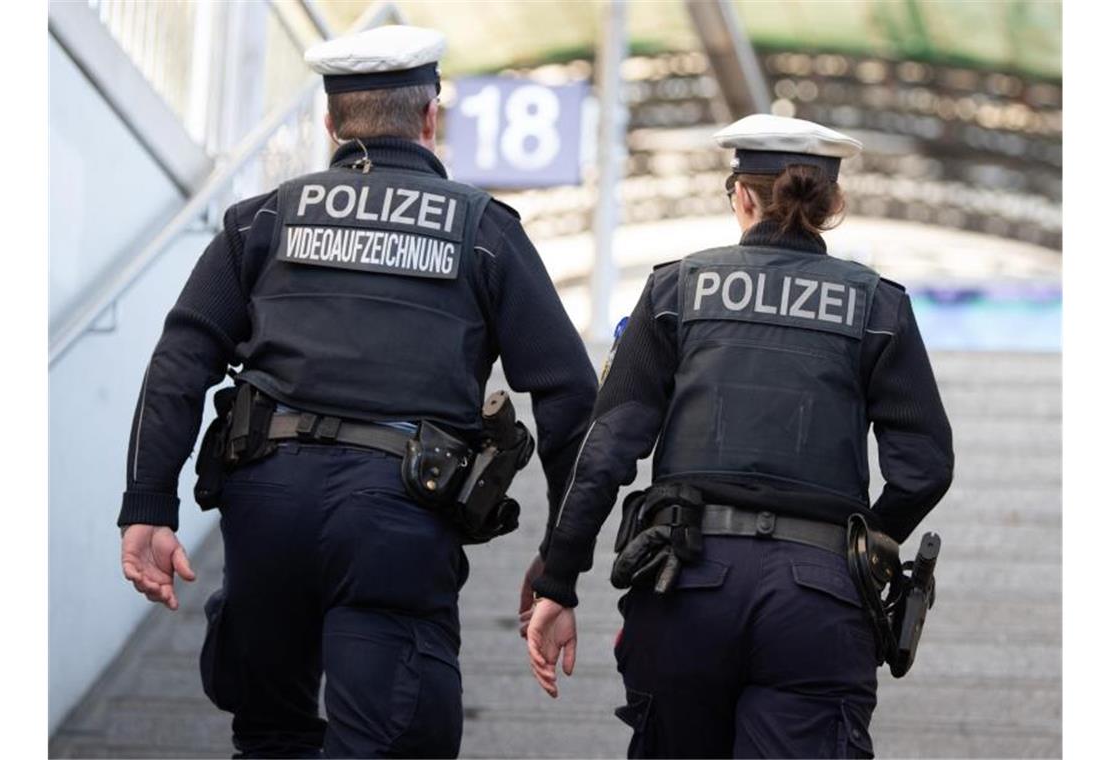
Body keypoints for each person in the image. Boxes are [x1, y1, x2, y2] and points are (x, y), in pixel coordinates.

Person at [117, 24, 597, 759]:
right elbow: (569, 395)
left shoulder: (264, 219)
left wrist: (149, 503)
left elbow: (182, 355)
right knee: (391, 739)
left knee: (269, 734)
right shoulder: (482, 233)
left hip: (265, 509)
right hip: (396, 521)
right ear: (430, 117)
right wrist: (560, 561)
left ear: (330, 122)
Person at [525, 114, 954, 758]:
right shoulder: (877, 306)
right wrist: (857, 548)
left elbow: (607, 447)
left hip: (685, 583)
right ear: (831, 205)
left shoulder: (676, 289)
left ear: (742, 197)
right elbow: (925, 465)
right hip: (818, 600)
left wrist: (559, 579)